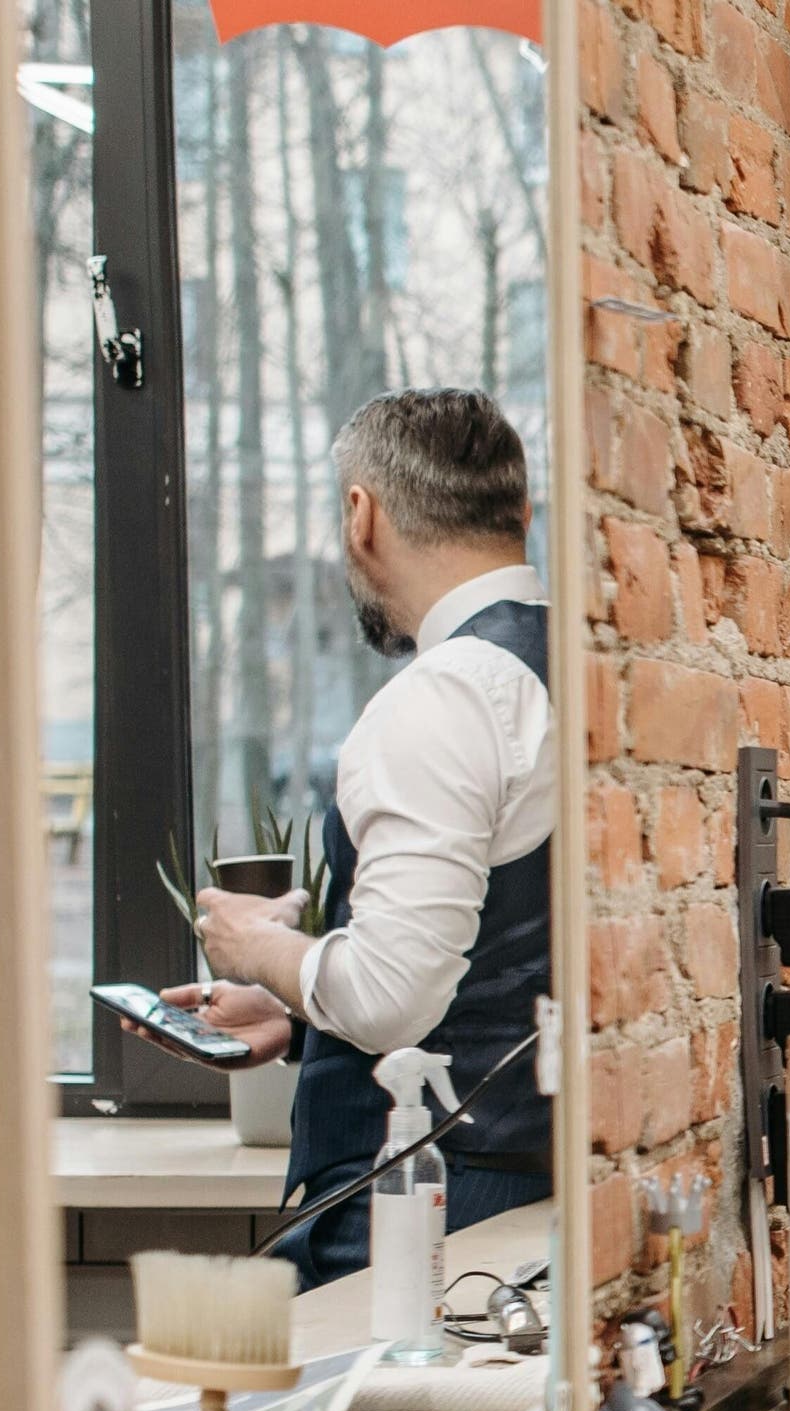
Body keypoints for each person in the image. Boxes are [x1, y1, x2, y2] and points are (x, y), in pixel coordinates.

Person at [166, 388, 556, 1288]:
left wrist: (256, 946)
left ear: (360, 514)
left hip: (429, 1218)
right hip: (526, 1206)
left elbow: (391, 998)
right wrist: (299, 1013)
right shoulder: (581, 668)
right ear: (520, 515)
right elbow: (493, 954)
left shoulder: (446, 695)